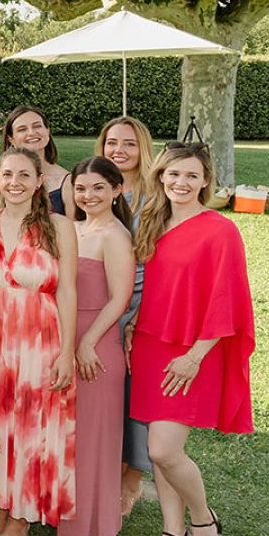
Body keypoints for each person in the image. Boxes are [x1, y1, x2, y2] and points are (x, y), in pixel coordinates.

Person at [129, 143, 253, 536]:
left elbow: (226, 300)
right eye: (173, 174)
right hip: (149, 344)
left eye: (191, 176)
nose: (180, 183)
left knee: (164, 449)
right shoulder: (151, 221)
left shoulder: (220, 230)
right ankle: (170, 533)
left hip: (193, 350)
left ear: (205, 181)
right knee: (157, 450)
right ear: (160, 176)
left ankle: (202, 522)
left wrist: (195, 356)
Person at [0, 147, 78, 536]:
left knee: (29, 421)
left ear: (39, 181)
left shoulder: (59, 226)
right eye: (7, 175)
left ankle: (23, 512)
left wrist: (67, 351)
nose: (15, 182)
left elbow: (69, 290)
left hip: (40, 336)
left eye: (24, 175)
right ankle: (0, 504)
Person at [58, 157, 137, 536]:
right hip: (65, 337)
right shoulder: (72, 229)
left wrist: (87, 342)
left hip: (97, 344)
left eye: (98, 188)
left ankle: (89, 521)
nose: (88, 195)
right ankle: (59, 509)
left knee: (92, 435)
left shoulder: (116, 236)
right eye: (81, 188)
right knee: (67, 431)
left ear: (116, 190)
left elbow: (120, 299)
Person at [96, 113, 157, 513]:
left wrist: (140, 316)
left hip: (143, 301)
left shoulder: (157, 197)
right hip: (98, 300)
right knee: (102, 390)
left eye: (129, 143)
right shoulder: (94, 188)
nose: (119, 150)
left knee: (137, 393)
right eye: (112, 143)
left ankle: (131, 478)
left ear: (143, 150)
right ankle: (99, 469)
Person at [3, 105, 74, 216]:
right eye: (22, 129)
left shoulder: (68, 182)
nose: (31, 133)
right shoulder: (8, 179)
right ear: (11, 139)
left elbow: (75, 230)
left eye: (37, 126)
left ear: (47, 131)